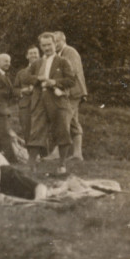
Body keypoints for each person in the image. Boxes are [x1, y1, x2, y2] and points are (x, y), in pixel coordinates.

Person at [26, 32, 77, 174]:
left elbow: (71, 80)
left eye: (49, 44)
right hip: (40, 99)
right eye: (44, 45)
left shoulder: (63, 61)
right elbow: (27, 77)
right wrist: (39, 79)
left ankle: (62, 164)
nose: (47, 48)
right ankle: (31, 164)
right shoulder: (36, 63)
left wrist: (54, 82)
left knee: (62, 129)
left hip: (57, 99)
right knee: (37, 130)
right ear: (40, 46)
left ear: (55, 44)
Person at [54, 31, 87, 161]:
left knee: (64, 120)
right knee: (73, 122)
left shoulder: (70, 52)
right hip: (70, 91)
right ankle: (77, 154)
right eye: (54, 42)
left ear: (63, 40)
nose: (55, 44)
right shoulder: (61, 53)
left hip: (73, 91)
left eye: (57, 41)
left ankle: (57, 153)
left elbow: (71, 72)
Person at [13, 46, 40, 142]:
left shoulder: (44, 70)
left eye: (35, 53)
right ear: (27, 56)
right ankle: (30, 155)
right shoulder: (21, 73)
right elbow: (15, 89)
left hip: (41, 105)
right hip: (25, 105)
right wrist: (22, 91)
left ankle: (45, 156)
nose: (33, 55)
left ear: (39, 55)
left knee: (42, 131)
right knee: (27, 130)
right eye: (31, 53)